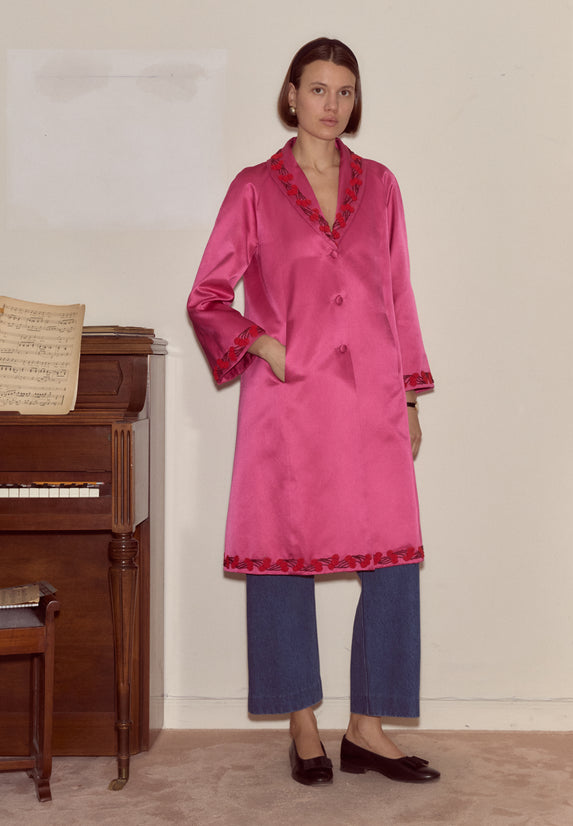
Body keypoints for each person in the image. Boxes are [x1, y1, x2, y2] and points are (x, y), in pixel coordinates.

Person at [187, 37, 438, 786]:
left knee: (394, 558)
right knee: (281, 558)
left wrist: (411, 395)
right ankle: (302, 723)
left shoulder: (382, 186)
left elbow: (399, 296)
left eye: (345, 92)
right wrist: (260, 344)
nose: (332, 105)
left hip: (370, 403)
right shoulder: (254, 189)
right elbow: (206, 296)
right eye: (319, 89)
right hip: (288, 409)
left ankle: (369, 727)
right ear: (291, 95)